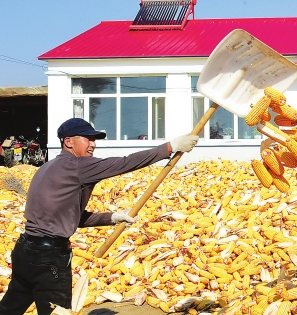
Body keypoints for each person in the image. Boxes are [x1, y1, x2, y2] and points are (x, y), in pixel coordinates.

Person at [0, 118, 199, 315]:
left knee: (10, 308)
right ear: (69, 142)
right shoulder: (78, 166)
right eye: (87, 139)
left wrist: (112, 218)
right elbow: (124, 163)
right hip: (49, 258)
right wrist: (169, 147)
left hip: (25, 251)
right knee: (56, 312)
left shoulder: (46, 168)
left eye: (94, 139)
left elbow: (72, 218)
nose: (93, 144)